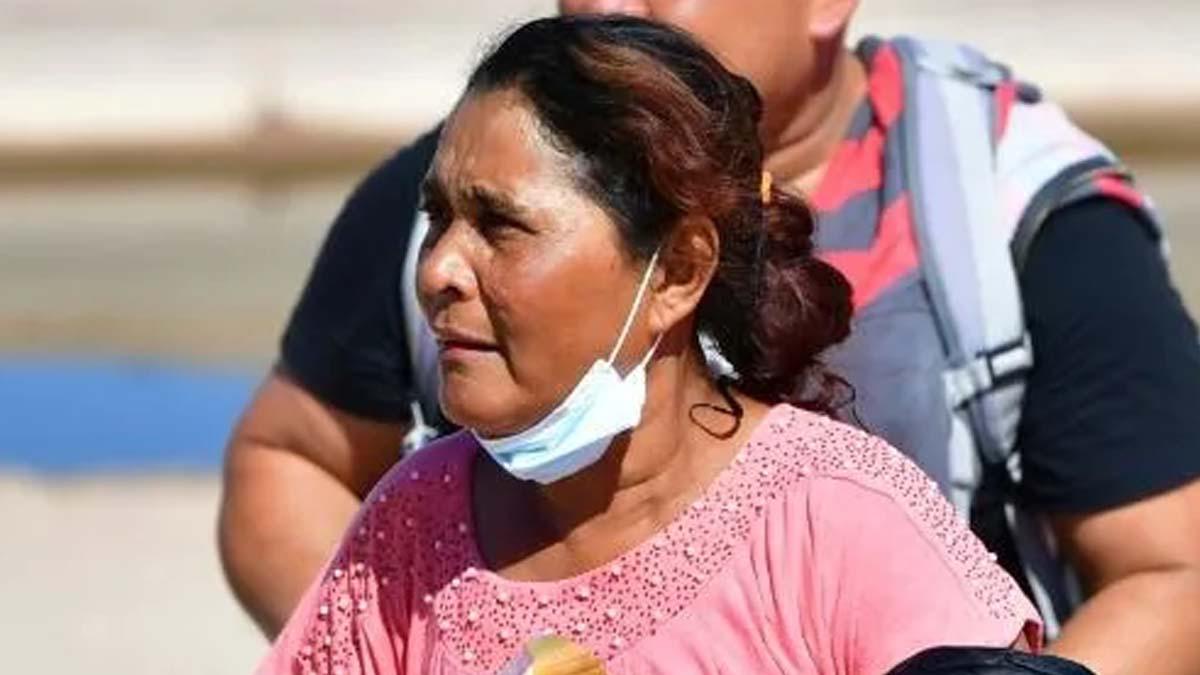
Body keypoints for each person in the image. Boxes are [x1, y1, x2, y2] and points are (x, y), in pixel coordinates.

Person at [220, 1, 1200, 673]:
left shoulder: (1015, 220)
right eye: (446, 218)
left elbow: (1175, 575)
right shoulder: (414, 514)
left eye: (505, 225)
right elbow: (287, 457)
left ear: (682, 271)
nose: (446, 267)